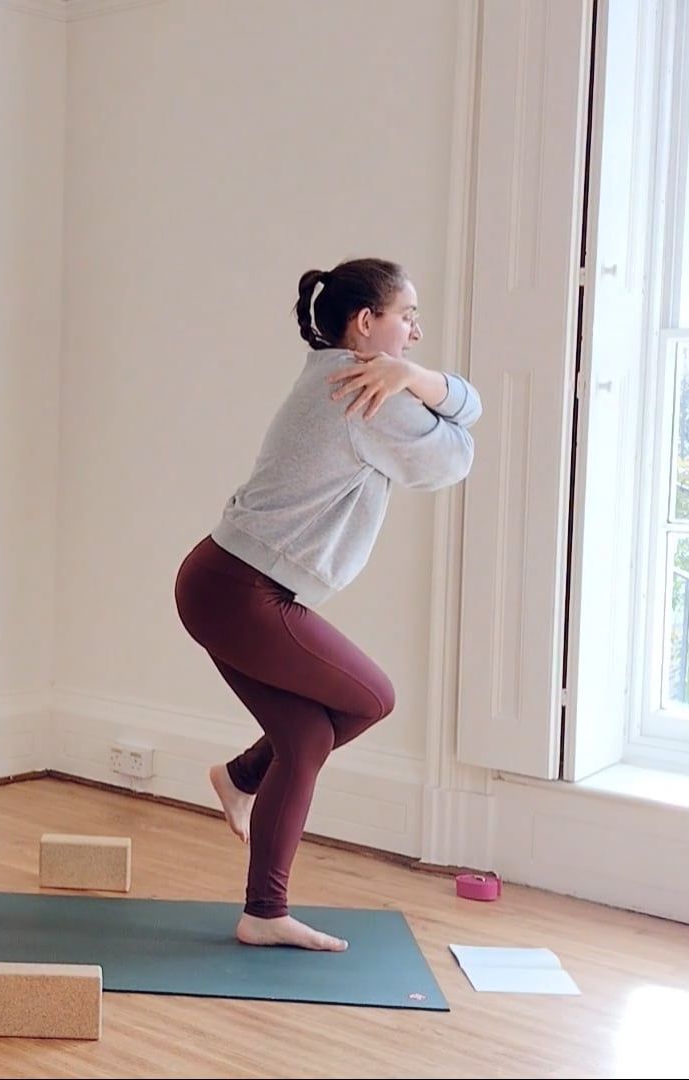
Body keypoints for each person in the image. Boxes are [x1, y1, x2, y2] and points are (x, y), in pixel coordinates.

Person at [173, 257, 481, 951]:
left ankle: (263, 903)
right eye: (407, 317)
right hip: (242, 590)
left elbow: (460, 428)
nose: (416, 332)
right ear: (366, 322)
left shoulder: (335, 372)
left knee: (306, 739)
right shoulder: (361, 392)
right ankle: (244, 780)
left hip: (223, 580)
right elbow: (456, 456)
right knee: (373, 698)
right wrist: (417, 382)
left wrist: (411, 375)